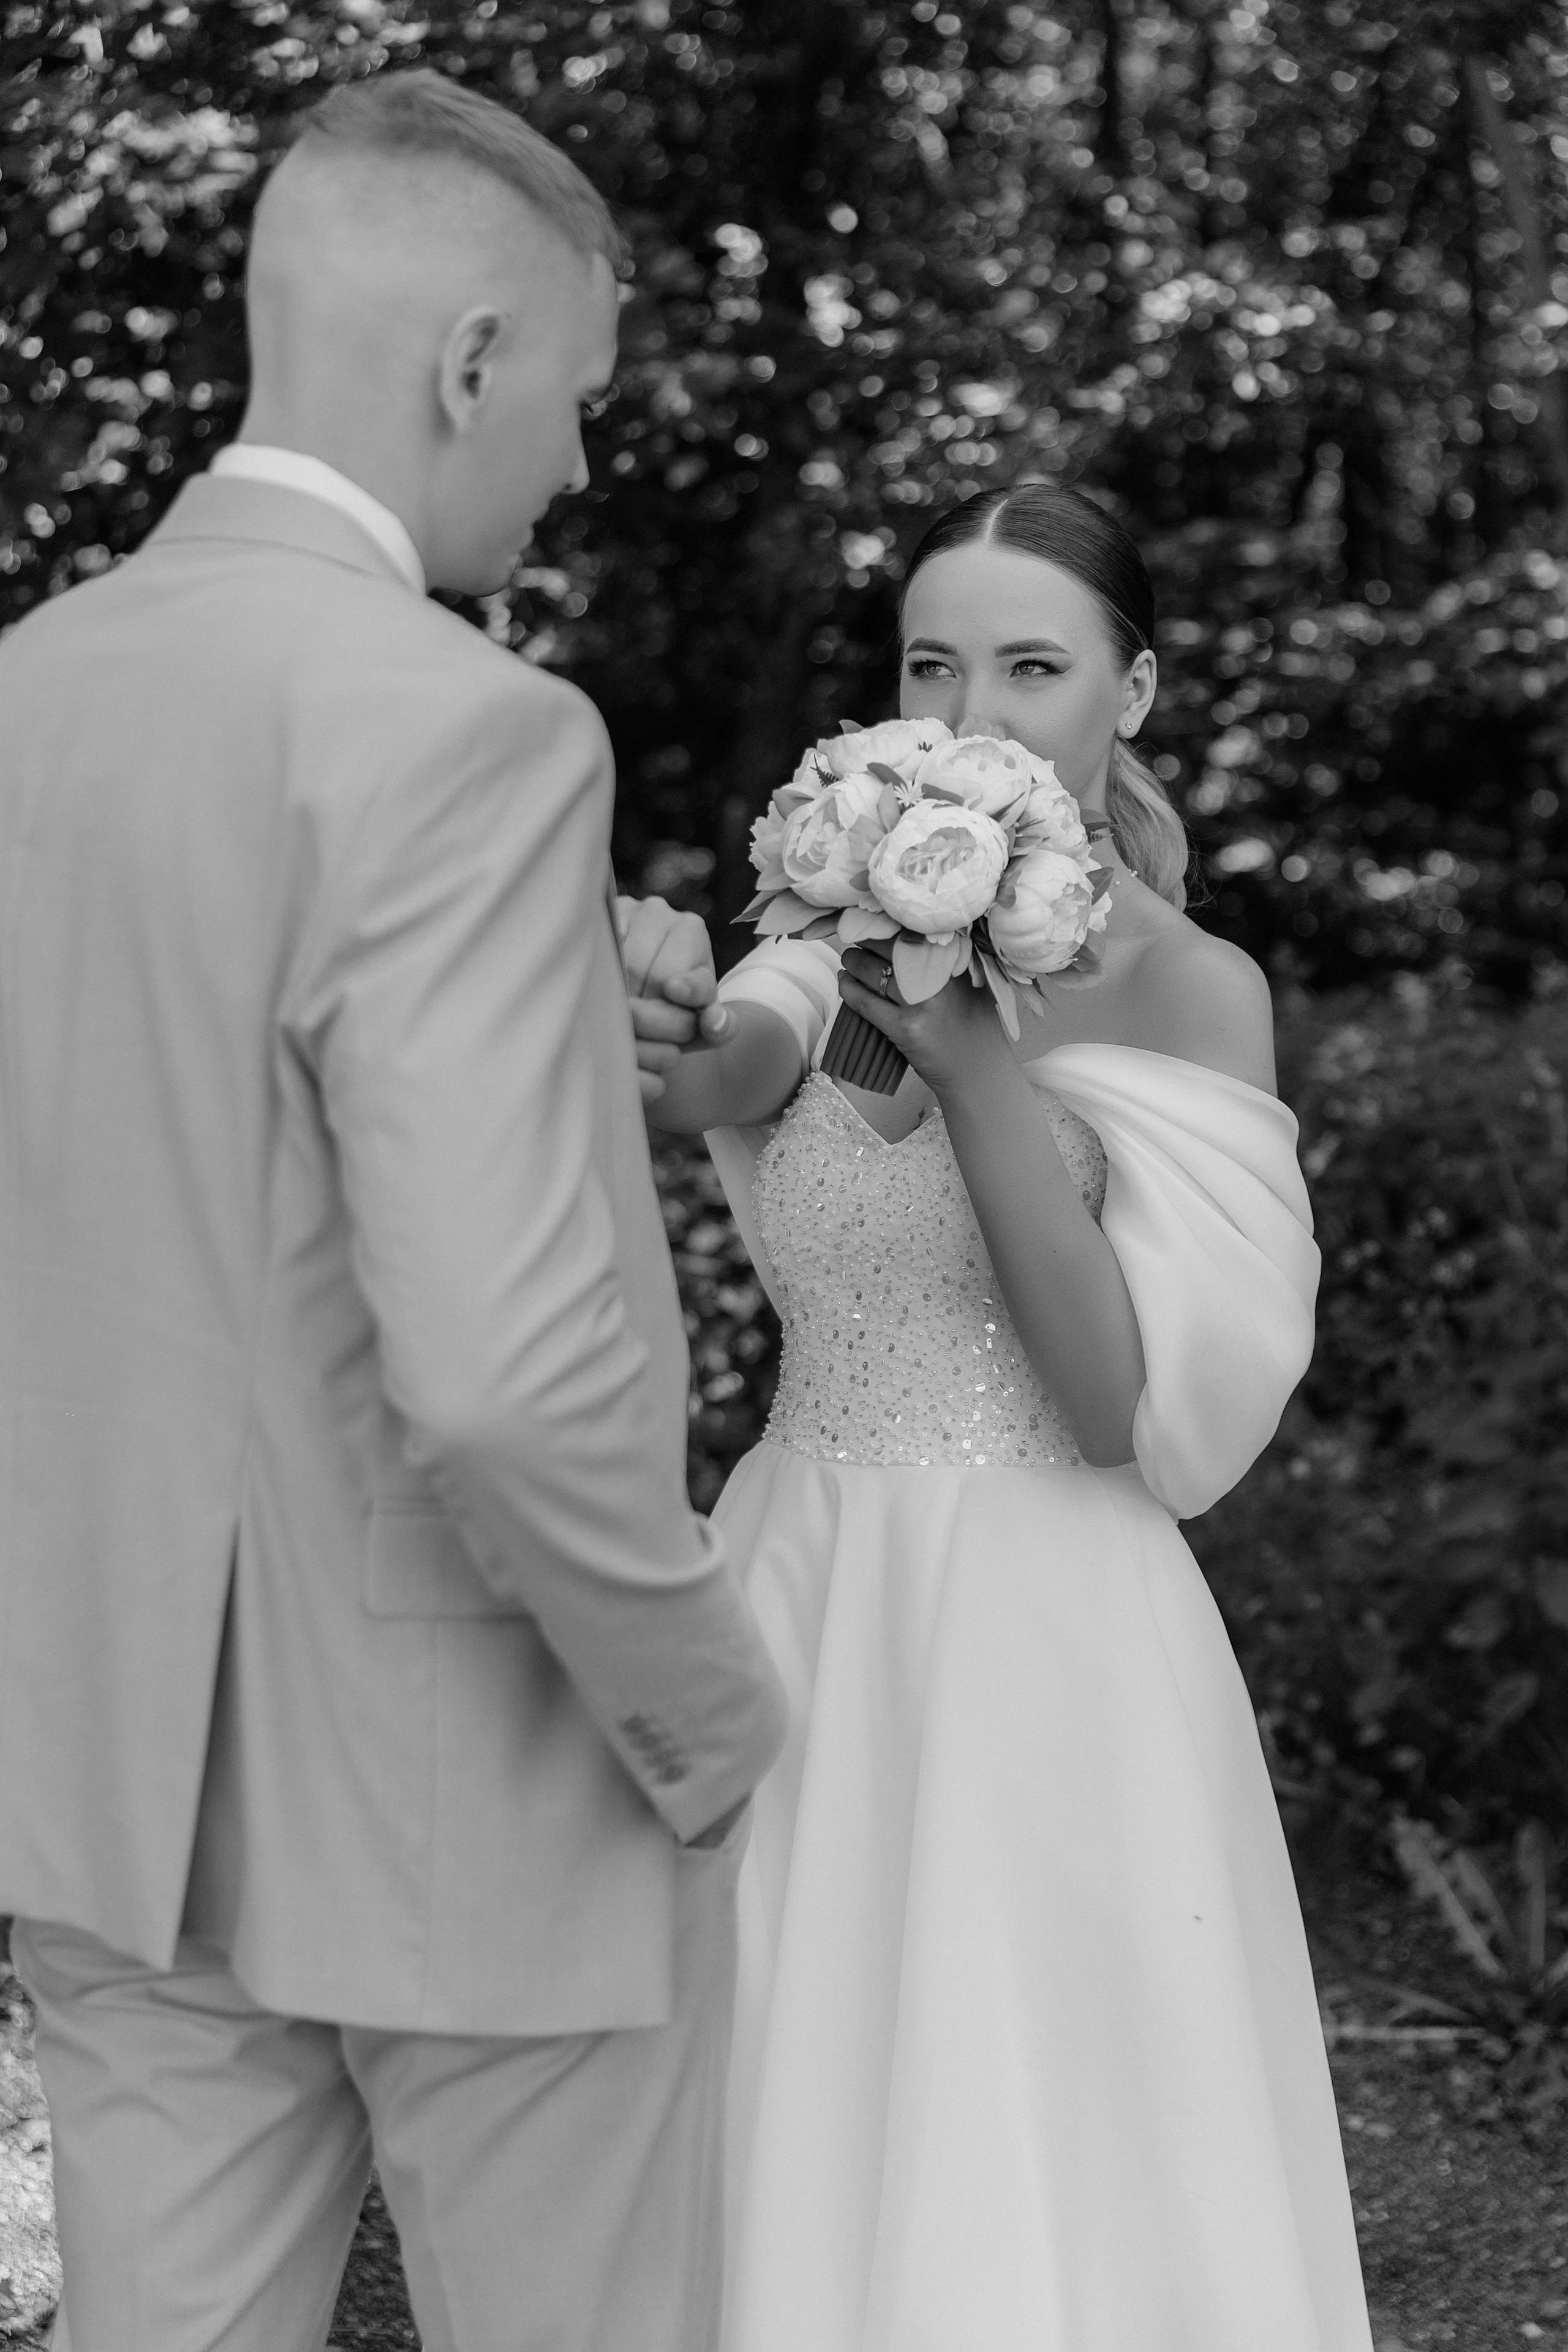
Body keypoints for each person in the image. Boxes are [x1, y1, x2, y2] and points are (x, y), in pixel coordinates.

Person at [0, 70, 785, 2352]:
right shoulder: (469, 730)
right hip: (481, 1773)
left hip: (101, 1779)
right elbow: (506, 1368)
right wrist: (700, 1712)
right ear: (468, 362)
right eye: (573, 397)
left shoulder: (25, 704)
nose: (569, 461)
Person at [649, 482, 1377, 2351]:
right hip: (797, 1595)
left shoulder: (1190, 989)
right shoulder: (822, 934)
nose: (973, 711)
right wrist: (660, 1008)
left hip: (1047, 1638)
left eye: (1033, 665)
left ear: (1129, 694)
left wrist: (976, 1062)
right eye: (933, 662)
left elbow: (1116, 1398)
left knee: (1026, 2156)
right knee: (783, 2126)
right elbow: (730, 1061)